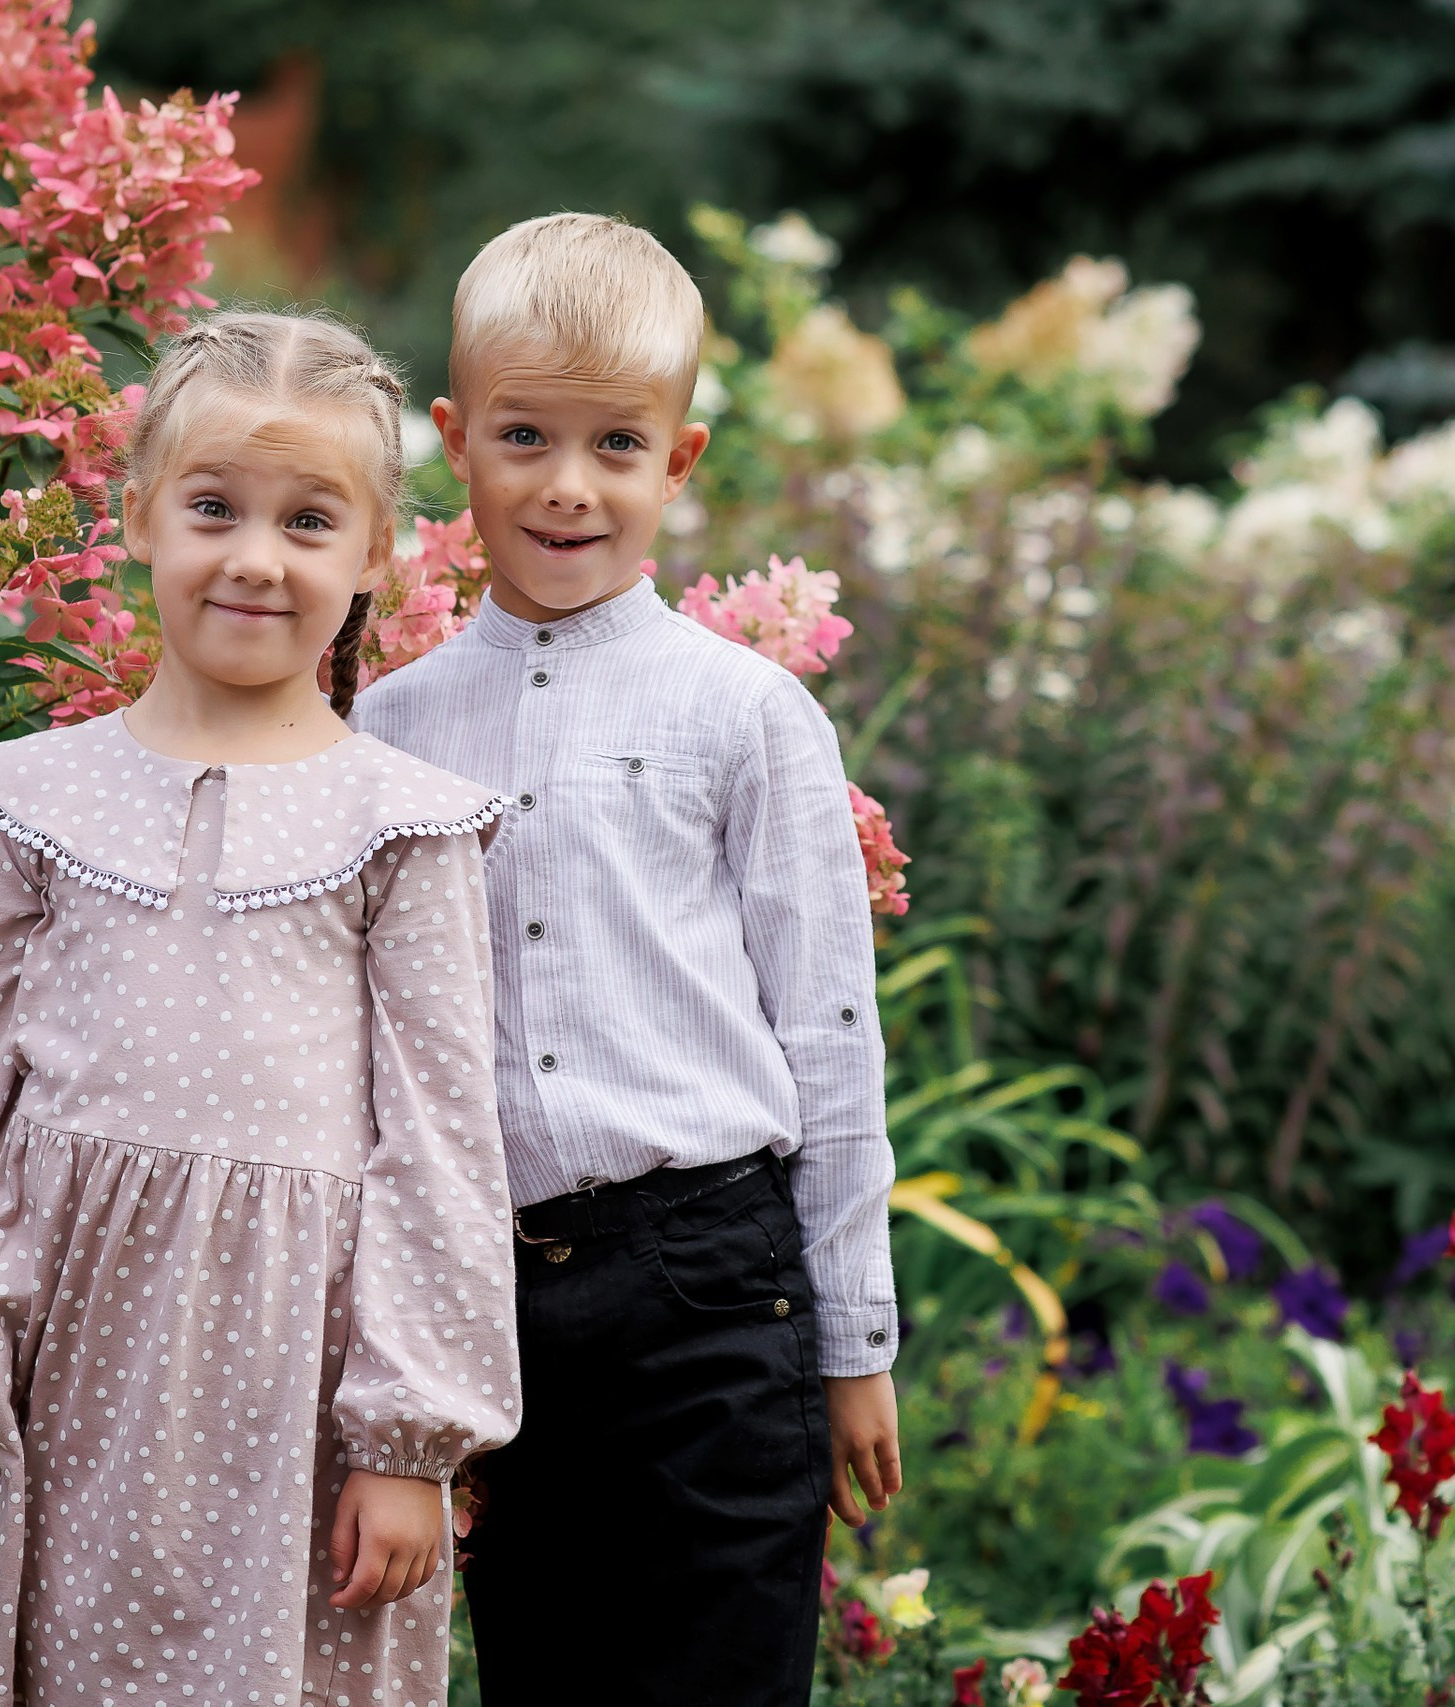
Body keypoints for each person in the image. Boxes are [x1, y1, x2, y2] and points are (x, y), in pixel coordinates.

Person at [0, 310, 520, 1707]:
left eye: (310, 521)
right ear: (140, 513)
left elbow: (443, 1148)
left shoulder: (403, 827)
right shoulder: (35, 801)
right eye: (214, 508)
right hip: (78, 1358)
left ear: (374, 557)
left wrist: (409, 1444)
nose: (257, 559)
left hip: (304, 1398)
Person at [349, 212, 903, 1705]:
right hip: (501, 1303)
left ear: (682, 459)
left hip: (715, 1295)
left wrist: (855, 1342)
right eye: (525, 436)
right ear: (455, 441)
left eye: (616, 444)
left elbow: (830, 1031)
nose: (568, 486)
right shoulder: (389, 732)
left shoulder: (746, 714)